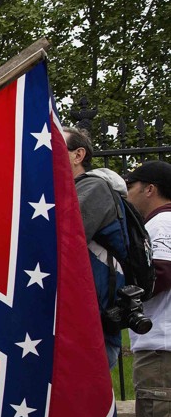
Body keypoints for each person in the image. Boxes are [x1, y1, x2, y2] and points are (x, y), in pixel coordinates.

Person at [123, 160, 171, 417]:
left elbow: (161, 273)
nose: (128, 193)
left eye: (132, 185)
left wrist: (122, 292)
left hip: (162, 344)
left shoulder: (161, 223)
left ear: (149, 188)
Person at [63, 126, 128, 369]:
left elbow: (56, 237)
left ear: (78, 155)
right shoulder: (63, 195)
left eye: (52, 147)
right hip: (71, 331)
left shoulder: (94, 188)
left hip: (91, 335)